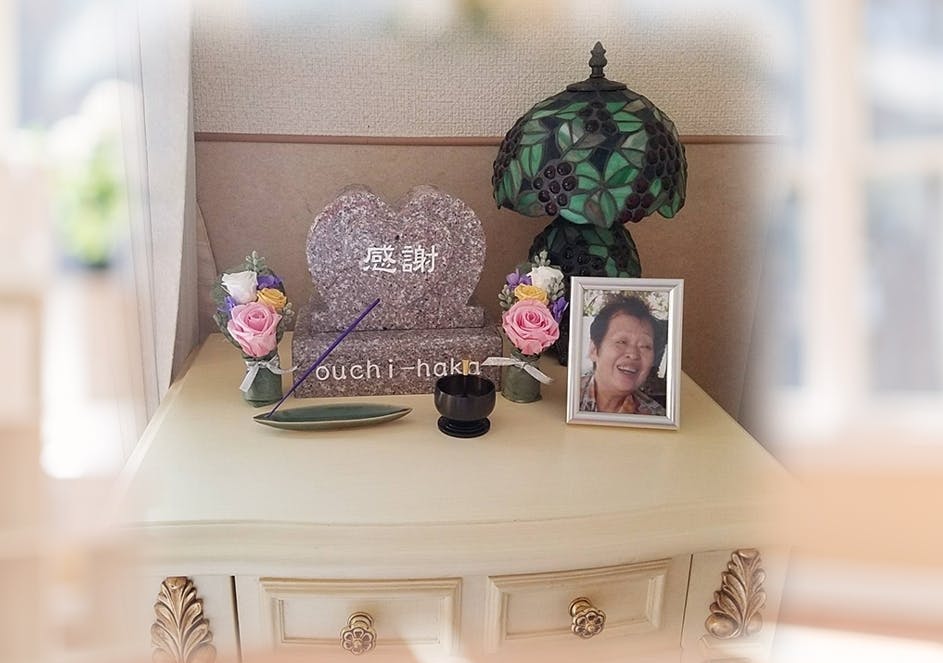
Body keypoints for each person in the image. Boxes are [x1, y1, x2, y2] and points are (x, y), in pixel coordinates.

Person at [579, 295, 666, 415]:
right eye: (622, 342)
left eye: (645, 346)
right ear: (594, 349)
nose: (633, 354)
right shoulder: (566, 398)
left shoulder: (655, 417)